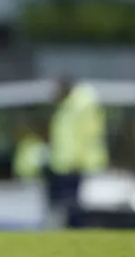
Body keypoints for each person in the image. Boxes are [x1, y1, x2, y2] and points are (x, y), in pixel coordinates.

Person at [46, 78, 108, 228]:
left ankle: (77, 231)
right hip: (65, 164)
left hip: (77, 164)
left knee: (75, 206)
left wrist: (78, 160)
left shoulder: (82, 105)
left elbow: (89, 134)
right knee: (67, 205)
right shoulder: (68, 106)